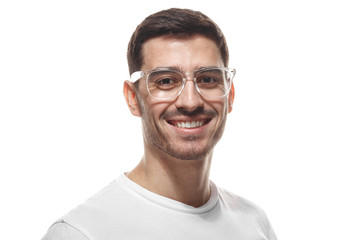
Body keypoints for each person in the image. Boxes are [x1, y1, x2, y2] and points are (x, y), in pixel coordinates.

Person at [41, 8, 277, 240]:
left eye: (207, 79)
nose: (190, 101)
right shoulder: (80, 232)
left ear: (230, 94)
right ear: (133, 98)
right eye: (166, 81)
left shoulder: (254, 223)